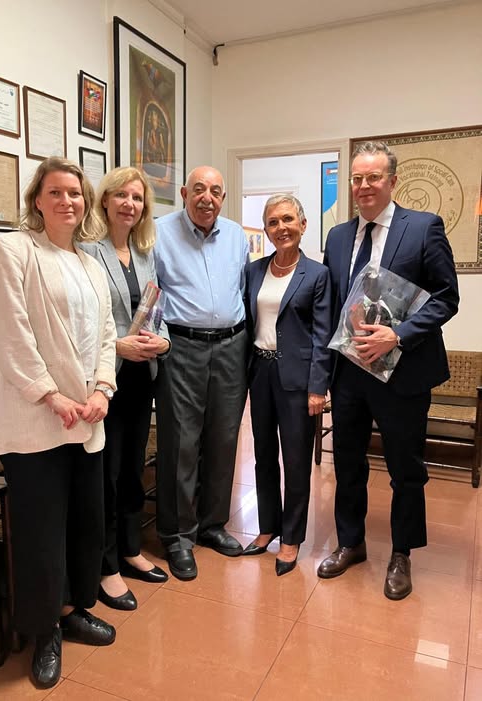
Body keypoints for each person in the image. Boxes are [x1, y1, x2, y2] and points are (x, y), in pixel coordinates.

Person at [0, 157, 118, 689]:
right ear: (37, 200)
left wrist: (103, 387)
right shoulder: (13, 250)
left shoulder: (90, 264)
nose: (67, 201)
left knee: (85, 522)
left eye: (75, 193)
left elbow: (106, 334)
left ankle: (71, 610)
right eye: (55, 192)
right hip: (36, 420)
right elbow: (10, 334)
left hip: (87, 417)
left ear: (86, 203)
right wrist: (51, 395)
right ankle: (44, 633)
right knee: (41, 532)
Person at [317, 142, 459, 600]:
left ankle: (401, 553)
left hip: (404, 373)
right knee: (348, 462)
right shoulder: (338, 236)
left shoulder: (423, 228)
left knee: (405, 469)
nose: (364, 186)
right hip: (350, 372)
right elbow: (333, 303)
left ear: (392, 181)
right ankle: (351, 542)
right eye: (357, 178)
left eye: (373, 177)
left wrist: (397, 335)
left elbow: (446, 297)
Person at [80, 166, 170, 611]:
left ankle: (132, 548)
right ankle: (106, 565)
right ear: (105, 200)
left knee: (133, 469)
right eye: (121, 196)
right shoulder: (87, 250)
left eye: (137, 198)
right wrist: (119, 345)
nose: (129, 204)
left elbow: (158, 309)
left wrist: (163, 341)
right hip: (106, 380)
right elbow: (83, 324)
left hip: (141, 378)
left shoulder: (145, 253)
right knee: (108, 475)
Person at [154, 166, 249, 580]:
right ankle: (177, 536)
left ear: (222, 198)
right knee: (181, 442)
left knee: (224, 439)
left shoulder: (237, 236)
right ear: (183, 193)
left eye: (214, 191)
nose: (206, 198)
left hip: (231, 346)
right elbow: (151, 294)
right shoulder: (159, 233)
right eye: (198, 189)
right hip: (182, 346)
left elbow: (242, 289)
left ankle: (212, 525)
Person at [243, 194, 331, 576]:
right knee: (263, 455)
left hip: (297, 380)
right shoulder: (254, 271)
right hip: (260, 373)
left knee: (295, 461)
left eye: (288, 219)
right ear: (266, 230)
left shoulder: (317, 275)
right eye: (273, 222)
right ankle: (268, 527)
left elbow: (323, 334)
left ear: (303, 224)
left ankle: (291, 536)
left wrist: (318, 386)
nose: (281, 227)